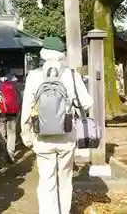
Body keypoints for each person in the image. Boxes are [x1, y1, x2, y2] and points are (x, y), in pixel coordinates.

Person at [20, 36, 93, 214]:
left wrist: (26, 134)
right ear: (61, 54)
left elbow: (26, 109)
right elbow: (87, 103)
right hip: (66, 136)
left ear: (43, 53)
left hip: (42, 137)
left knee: (46, 180)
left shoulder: (33, 76)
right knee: (65, 179)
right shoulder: (72, 75)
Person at [0, 68, 20, 164]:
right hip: (12, 112)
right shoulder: (12, 84)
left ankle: (4, 152)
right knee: (11, 132)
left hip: (0, 113)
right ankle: (10, 152)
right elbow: (18, 98)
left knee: (1, 133)